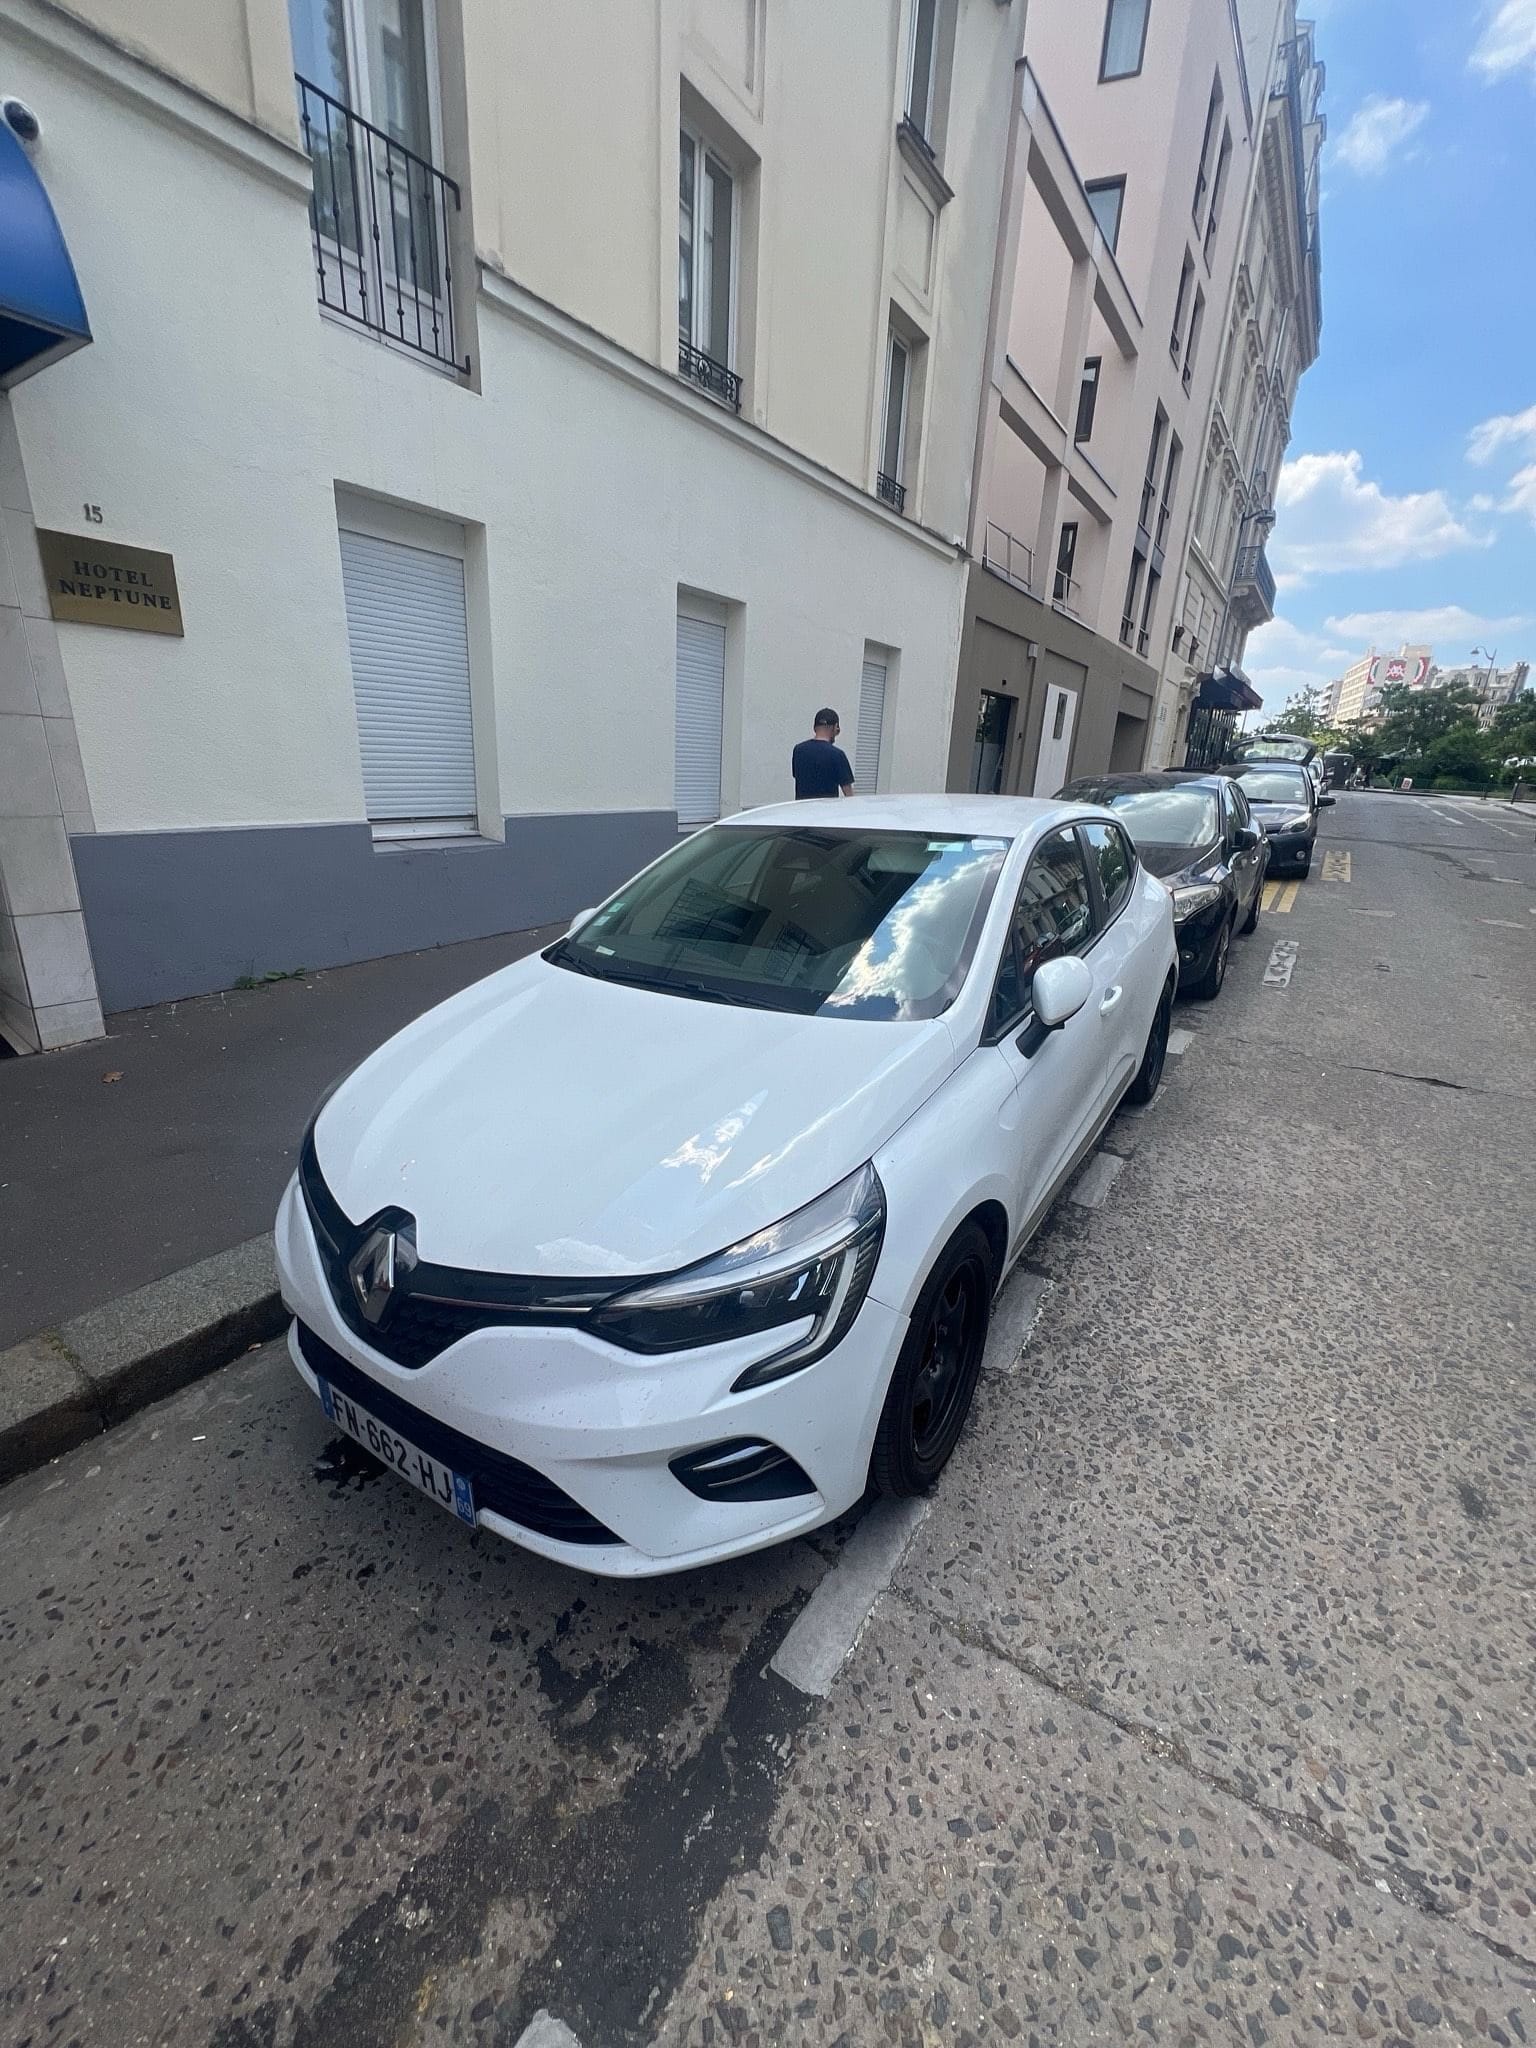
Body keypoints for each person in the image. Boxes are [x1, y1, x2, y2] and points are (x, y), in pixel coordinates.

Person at [792, 709, 854, 801]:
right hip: (826, 810)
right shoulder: (837, 755)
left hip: (802, 809)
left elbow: (796, 776)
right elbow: (849, 794)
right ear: (835, 727)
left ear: (814, 728)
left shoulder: (798, 750)